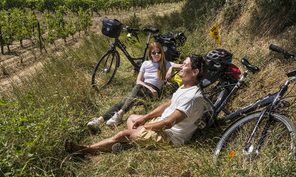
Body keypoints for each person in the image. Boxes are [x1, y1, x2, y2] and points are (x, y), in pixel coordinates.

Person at [65, 54, 210, 154]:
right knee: (132, 118)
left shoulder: (192, 97)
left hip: (171, 137)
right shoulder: (184, 87)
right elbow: (167, 105)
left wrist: (145, 126)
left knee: (122, 134)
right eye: (182, 63)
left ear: (195, 72)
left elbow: (168, 123)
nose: (181, 66)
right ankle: (133, 144)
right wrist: (144, 118)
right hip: (163, 124)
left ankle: (83, 149)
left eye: (185, 65)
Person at [87, 42, 174, 129]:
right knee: (122, 101)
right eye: (153, 52)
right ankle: (99, 120)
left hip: (153, 93)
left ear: (162, 52)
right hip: (145, 88)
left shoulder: (165, 64)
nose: (156, 54)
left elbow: (182, 65)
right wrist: (150, 88)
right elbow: (138, 81)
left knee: (135, 90)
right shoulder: (145, 64)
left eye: (158, 52)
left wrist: (171, 68)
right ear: (150, 54)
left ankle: (119, 115)